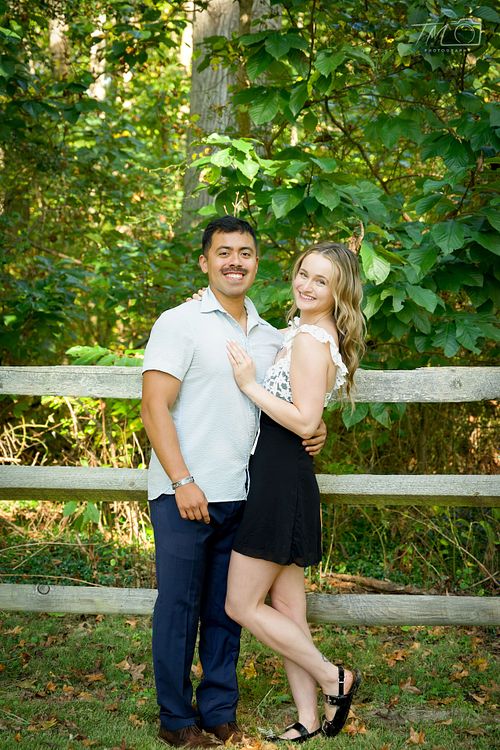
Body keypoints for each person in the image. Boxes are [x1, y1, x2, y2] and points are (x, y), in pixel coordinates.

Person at [140, 216, 326, 749]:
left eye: (245, 252)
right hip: (185, 493)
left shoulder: (272, 337)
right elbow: (154, 406)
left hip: (247, 496)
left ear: (256, 263)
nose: (234, 262)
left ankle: (219, 710)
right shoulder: (179, 323)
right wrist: (182, 479)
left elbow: (295, 403)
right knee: (178, 608)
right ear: (205, 262)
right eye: (223, 252)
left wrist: (316, 429)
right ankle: (176, 720)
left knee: (226, 612)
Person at [224, 241, 365, 743]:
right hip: (283, 472)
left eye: (321, 280)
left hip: (280, 478)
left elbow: (305, 421)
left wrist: (249, 384)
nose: (306, 285)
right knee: (287, 610)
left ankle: (334, 677)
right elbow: (310, 417)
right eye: (304, 273)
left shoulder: (310, 340)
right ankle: (307, 717)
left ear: (339, 292)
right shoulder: (306, 333)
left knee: (240, 604)